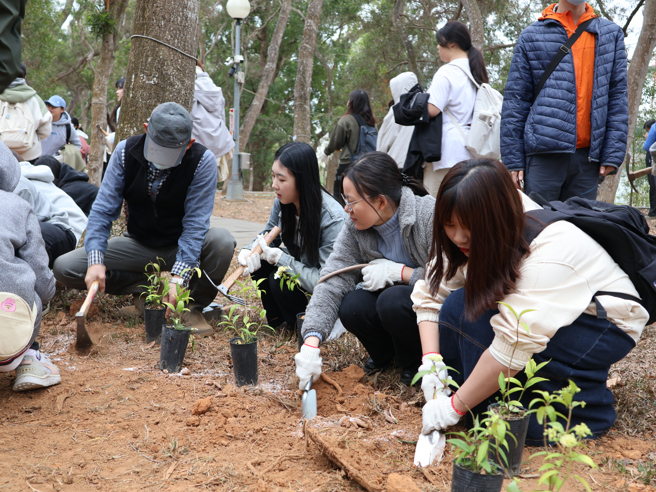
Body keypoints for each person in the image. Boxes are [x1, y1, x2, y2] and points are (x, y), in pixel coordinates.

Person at [411, 158, 648, 444]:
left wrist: (453, 407)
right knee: (458, 308)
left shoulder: (548, 251)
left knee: (513, 425)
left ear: (494, 219)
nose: (459, 236)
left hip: (603, 323)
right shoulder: (475, 220)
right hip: (547, 309)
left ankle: (589, 408)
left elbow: (512, 347)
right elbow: (433, 290)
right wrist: (431, 361)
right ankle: (491, 397)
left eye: (468, 228)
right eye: (449, 225)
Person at [53, 102, 236, 336]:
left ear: (188, 143)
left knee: (222, 241)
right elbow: (102, 211)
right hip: (137, 245)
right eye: (157, 149)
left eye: (170, 153)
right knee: (65, 267)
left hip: (179, 244)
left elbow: (195, 224)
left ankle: (192, 306)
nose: (161, 159)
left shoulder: (202, 161)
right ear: (146, 129)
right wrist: (96, 260)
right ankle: (143, 287)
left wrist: (179, 277)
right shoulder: (124, 151)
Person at [295, 152, 435, 387]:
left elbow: (450, 279)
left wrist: (402, 273)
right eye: (344, 199)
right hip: (392, 309)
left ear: (380, 201)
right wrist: (311, 341)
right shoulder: (355, 228)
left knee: (391, 299)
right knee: (353, 305)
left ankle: (414, 361)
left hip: (427, 312)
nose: (346, 209)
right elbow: (333, 278)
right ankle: (385, 355)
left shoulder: (426, 214)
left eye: (351, 201)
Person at [501, 1, 628, 201]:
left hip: (587, 160)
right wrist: (513, 160)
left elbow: (618, 98)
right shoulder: (531, 35)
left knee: (581, 229)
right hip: (543, 156)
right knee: (539, 228)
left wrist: (613, 152)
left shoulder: (611, 34)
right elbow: (516, 101)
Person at [238, 142, 347, 330]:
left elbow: (325, 282)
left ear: (302, 179)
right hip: (303, 274)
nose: (274, 185)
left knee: (279, 278)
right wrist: (248, 251)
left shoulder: (332, 219)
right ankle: (278, 323)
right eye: (273, 177)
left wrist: (281, 259)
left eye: (281, 179)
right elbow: (268, 235)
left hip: (323, 293)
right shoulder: (282, 202)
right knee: (261, 263)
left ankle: (300, 324)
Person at [0, 141, 60, 391]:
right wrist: (47, 296)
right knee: (34, 292)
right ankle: (29, 360)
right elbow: (40, 274)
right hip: (9, 324)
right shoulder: (17, 206)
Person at [423, 21, 488, 197]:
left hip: (448, 154)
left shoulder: (447, 72)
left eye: (439, 42)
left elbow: (432, 110)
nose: (438, 47)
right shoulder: (476, 72)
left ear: (450, 43)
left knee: (436, 210)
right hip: (473, 151)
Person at [324, 89, 376, 200]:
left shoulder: (346, 120)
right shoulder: (371, 122)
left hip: (348, 164)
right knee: (362, 197)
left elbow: (335, 142)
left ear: (352, 102)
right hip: (367, 165)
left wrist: (326, 151)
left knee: (339, 196)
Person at [0, 63, 52, 163]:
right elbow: (46, 130)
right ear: (25, 77)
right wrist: (31, 136)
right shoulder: (35, 99)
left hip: (1, 154)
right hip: (30, 155)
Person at [192, 63, 234, 183]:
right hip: (219, 143)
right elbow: (221, 116)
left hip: (196, 148)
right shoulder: (213, 88)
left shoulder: (186, 83)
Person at [376, 72, 418, 168]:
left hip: (397, 164)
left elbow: (384, 143)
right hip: (419, 163)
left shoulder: (396, 111)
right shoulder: (424, 107)